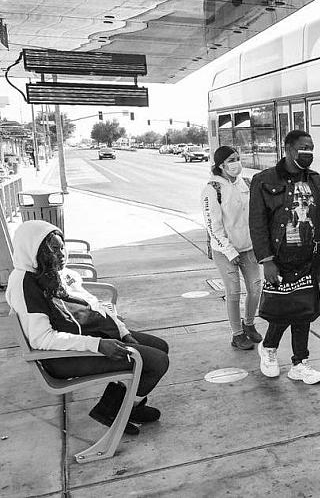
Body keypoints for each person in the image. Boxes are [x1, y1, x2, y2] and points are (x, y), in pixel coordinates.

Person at [5, 221, 170, 435]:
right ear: (34, 249)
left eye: (62, 246)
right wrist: (98, 345)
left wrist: (123, 331)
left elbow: (93, 303)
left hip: (86, 336)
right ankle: (118, 410)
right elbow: (41, 340)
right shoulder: (25, 284)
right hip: (62, 357)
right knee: (157, 362)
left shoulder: (53, 272)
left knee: (160, 346)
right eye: (54, 249)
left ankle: (121, 407)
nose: (62, 254)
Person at [249, 130, 320, 383]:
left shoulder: (316, 181)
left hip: (310, 258)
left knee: (303, 311)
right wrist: (266, 260)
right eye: (304, 147)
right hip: (280, 260)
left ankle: (300, 363)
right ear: (289, 149)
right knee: (281, 310)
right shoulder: (263, 180)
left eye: (311, 148)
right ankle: (269, 349)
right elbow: (257, 225)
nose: (308, 153)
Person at [201, 146, 263, 350]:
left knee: (255, 288)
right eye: (231, 159)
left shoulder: (245, 183)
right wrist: (229, 251)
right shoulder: (212, 189)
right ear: (221, 165)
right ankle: (237, 335)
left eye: (237, 158)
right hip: (225, 251)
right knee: (234, 292)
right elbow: (213, 226)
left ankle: (249, 324)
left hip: (248, 247)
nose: (236, 163)